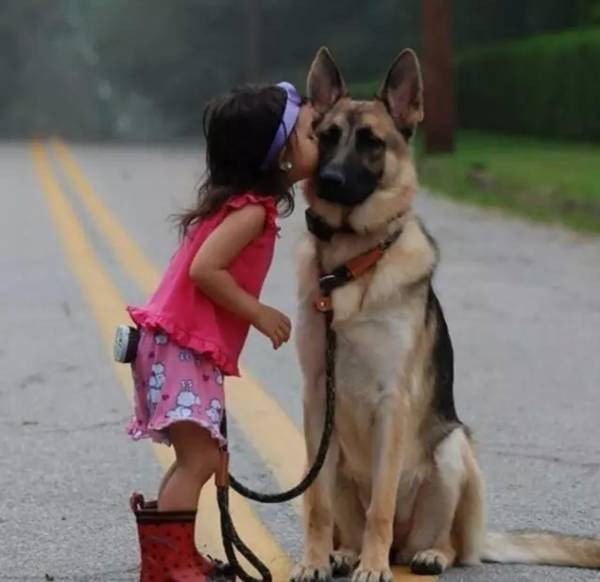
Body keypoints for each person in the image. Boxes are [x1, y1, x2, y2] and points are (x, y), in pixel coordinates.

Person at [126, 82, 318, 581]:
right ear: (280, 157)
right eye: (310, 133)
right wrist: (257, 312)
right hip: (179, 349)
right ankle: (167, 567)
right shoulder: (251, 212)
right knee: (199, 460)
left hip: (176, 347)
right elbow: (204, 271)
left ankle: (173, 558)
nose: (320, 140)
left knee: (200, 456)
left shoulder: (246, 207)